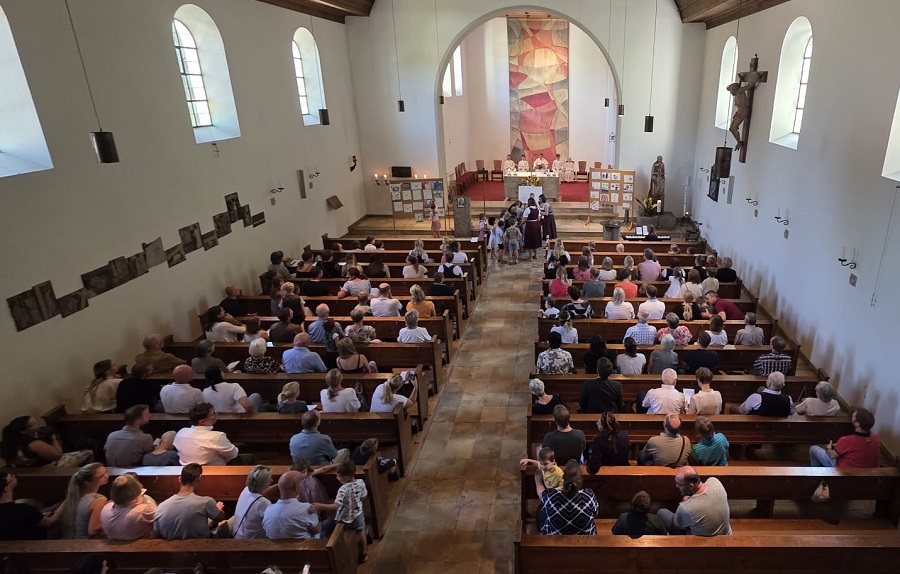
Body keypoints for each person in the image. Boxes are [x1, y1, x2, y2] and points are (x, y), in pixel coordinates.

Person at [154, 463, 226, 539]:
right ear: (198, 479)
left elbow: (157, 533)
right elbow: (221, 518)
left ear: (179, 479)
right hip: (202, 544)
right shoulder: (206, 502)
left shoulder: (161, 507)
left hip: (171, 546)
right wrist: (218, 509)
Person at [657, 466, 732, 536]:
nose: (676, 486)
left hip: (703, 542)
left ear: (691, 486)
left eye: (679, 485)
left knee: (661, 512)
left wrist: (685, 503)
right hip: (726, 534)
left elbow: (677, 525)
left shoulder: (687, 508)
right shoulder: (715, 481)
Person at [535, 460, 599, 535]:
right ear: (580, 479)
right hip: (585, 538)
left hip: (554, 538)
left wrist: (538, 481)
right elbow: (596, 513)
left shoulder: (551, 496)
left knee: (540, 510)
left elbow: (541, 495)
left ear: (564, 477)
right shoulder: (589, 495)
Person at [809, 408, 880, 468]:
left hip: (844, 473)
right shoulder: (876, 439)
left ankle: (817, 475)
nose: (852, 415)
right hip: (867, 474)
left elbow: (832, 455)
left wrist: (828, 448)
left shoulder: (847, 440)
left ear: (857, 423)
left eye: (854, 415)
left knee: (813, 449)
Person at [173, 403, 240, 465]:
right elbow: (232, 454)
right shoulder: (217, 436)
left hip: (185, 468)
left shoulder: (181, 432)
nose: (216, 414)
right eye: (213, 414)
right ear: (202, 421)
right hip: (214, 470)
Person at [263, 471, 321, 539]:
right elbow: (317, 530)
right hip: (304, 545)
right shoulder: (307, 508)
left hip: (274, 545)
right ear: (296, 486)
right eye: (301, 482)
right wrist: (319, 518)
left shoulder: (268, 510)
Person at [56, 463, 108, 539]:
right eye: (101, 476)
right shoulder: (99, 500)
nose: (107, 476)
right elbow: (94, 531)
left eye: (106, 472)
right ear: (87, 482)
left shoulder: (74, 496)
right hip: (87, 542)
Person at [98, 474, 157, 541]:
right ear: (136, 490)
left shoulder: (105, 508)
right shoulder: (144, 510)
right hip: (141, 546)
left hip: (111, 546)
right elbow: (162, 520)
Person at [233, 465, 275, 539]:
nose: (271, 480)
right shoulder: (263, 503)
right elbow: (272, 525)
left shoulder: (246, 489)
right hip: (249, 540)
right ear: (263, 484)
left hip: (237, 534)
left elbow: (259, 493)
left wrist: (277, 486)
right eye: (269, 479)